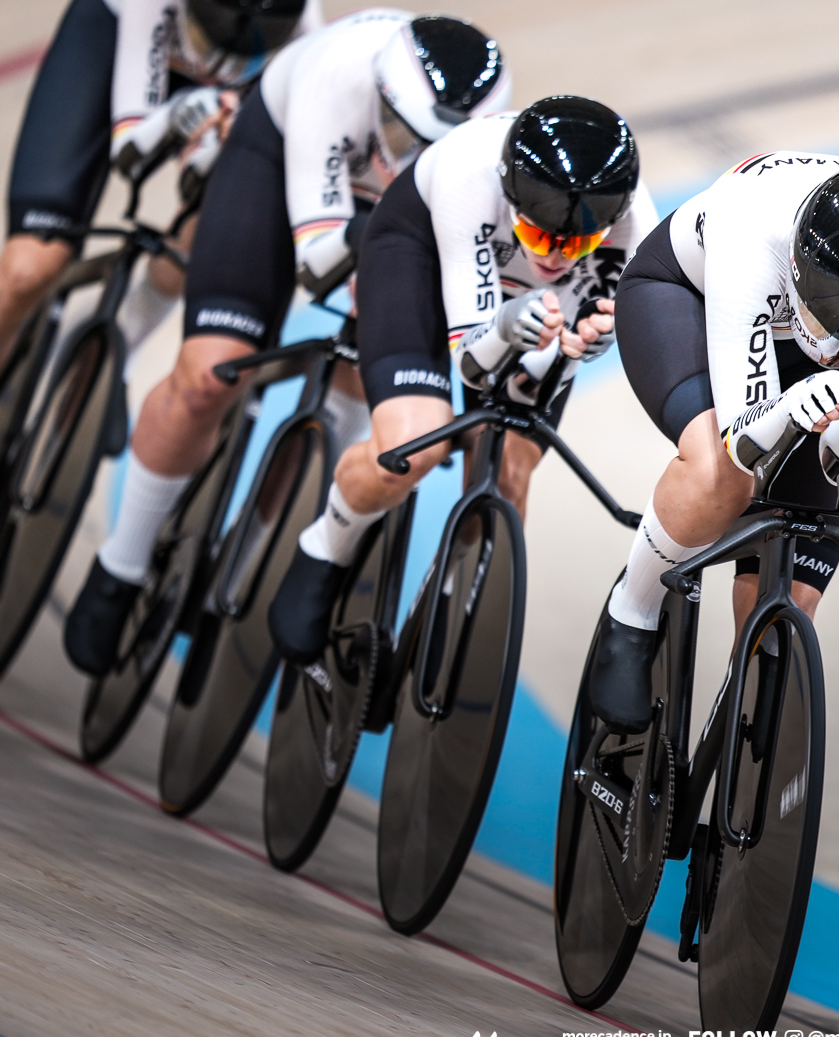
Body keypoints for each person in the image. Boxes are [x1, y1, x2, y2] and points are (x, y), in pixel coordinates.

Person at [0, 0, 321, 572]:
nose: (213, 60)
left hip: (237, 98)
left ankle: (122, 346)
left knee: (204, 231)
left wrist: (213, 149)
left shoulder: (304, 41)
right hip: (117, 39)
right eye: (206, 41)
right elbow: (132, 148)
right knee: (31, 264)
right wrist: (178, 116)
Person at [60, 9, 512, 674]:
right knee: (208, 374)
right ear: (380, 98)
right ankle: (121, 565)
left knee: (372, 370)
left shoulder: (482, 152)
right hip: (280, 167)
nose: (406, 151)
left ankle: (254, 558)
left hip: (403, 212)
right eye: (399, 130)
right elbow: (319, 260)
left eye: (429, 144)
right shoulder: (335, 80)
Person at [266, 95, 658, 664]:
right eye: (538, 231)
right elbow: (474, 363)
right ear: (511, 195)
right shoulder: (467, 177)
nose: (553, 256)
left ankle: (445, 605)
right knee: (411, 445)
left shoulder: (634, 232)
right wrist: (505, 325)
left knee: (510, 471)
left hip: (521, 309)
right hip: (421, 252)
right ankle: (325, 546)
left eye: (576, 243)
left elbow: (524, 390)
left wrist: (573, 352)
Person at [583, 156, 839, 731]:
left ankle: (726, 736)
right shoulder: (752, 237)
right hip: (692, 294)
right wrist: (786, 413)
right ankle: (632, 610)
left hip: (788, 318)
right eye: (829, 324)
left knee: (808, 542)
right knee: (718, 475)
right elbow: (744, 446)